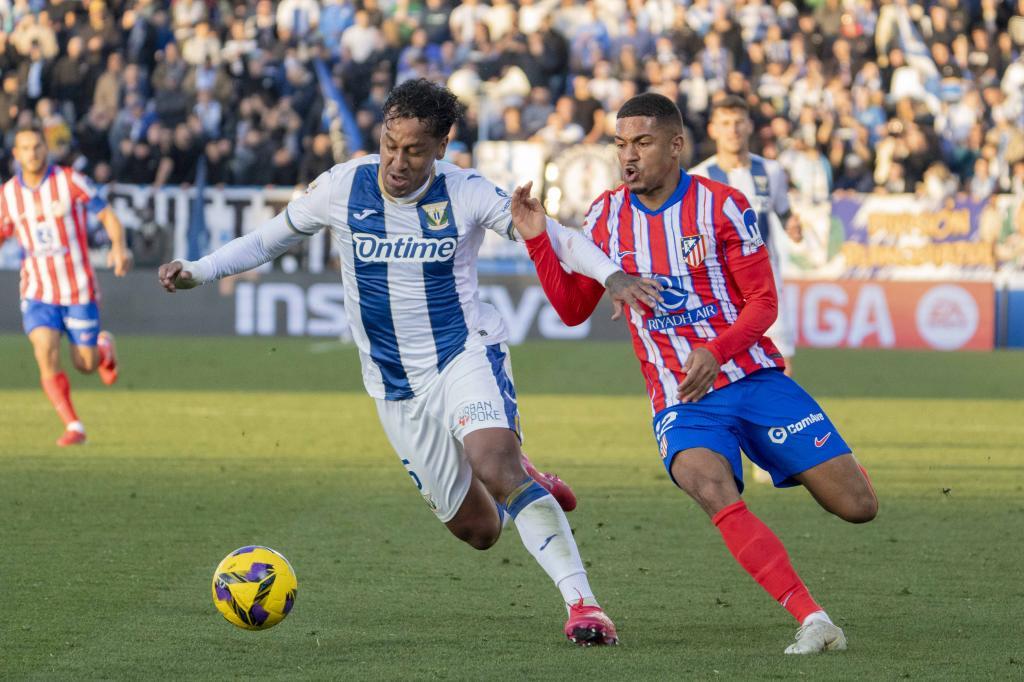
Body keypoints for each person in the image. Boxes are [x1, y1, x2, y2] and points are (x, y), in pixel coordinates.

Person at [157, 79, 655, 646]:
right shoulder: (343, 186)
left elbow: (554, 236)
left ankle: (583, 606)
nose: (397, 161)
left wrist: (611, 275)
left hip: (462, 352)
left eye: (415, 150)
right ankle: (527, 474)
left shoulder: (465, 192)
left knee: (497, 468)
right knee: (480, 530)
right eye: (390, 144)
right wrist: (198, 269)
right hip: (393, 385)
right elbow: (268, 240)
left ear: (441, 146)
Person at [511, 93, 878, 654]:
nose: (628, 156)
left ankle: (796, 453)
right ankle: (813, 618)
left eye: (643, 143)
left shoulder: (723, 206)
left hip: (754, 380)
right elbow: (571, 308)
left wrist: (716, 349)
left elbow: (763, 301)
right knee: (710, 485)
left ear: (676, 145)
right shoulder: (606, 216)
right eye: (620, 144)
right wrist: (538, 238)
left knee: (858, 507)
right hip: (680, 398)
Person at [0, 126, 129, 446]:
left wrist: (118, 246)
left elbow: (108, 215)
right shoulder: (8, 195)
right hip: (37, 289)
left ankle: (102, 348)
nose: (33, 153)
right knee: (44, 350)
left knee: (84, 365)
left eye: (37, 146)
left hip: (77, 288)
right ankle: (74, 426)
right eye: (25, 148)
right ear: (16, 155)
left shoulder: (70, 181)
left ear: (47, 149)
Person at [690, 95, 802, 377]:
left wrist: (793, 225)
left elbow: (784, 212)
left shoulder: (771, 171)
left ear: (750, 126)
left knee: (781, 363)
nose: (733, 129)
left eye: (739, 122)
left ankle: (781, 421)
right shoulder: (699, 178)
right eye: (725, 123)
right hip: (720, 289)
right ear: (713, 129)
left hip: (765, 283)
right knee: (722, 368)